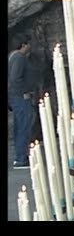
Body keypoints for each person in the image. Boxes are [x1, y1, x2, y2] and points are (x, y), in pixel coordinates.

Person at [8, 34, 35, 169]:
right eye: (28, 44)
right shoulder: (19, 58)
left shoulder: (12, 56)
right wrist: (26, 92)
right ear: (24, 45)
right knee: (23, 127)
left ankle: (20, 155)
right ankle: (21, 158)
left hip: (15, 97)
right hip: (20, 97)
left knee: (20, 126)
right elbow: (15, 78)